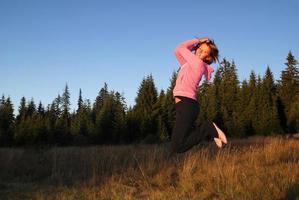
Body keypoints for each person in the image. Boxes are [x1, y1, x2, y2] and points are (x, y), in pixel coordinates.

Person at [169, 37, 228, 156]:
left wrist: (197, 41)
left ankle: (208, 128)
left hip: (187, 105)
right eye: (200, 49)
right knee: (177, 146)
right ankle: (209, 131)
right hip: (184, 106)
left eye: (205, 51)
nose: (201, 51)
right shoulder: (187, 64)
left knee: (178, 146)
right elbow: (177, 51)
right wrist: (197, 44)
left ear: (208, 57)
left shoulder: (198, 64)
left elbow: (181, 48)